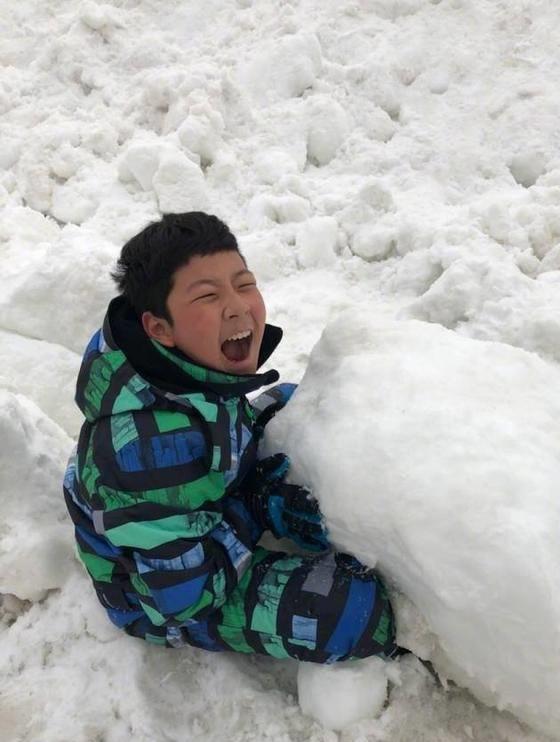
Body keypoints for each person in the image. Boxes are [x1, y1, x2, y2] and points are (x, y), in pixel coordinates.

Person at [63, 211, 396, 662]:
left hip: (189, 489)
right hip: (160, 594)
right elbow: (181, 596)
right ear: (158, 328)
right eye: (207, 296)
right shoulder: (149, 451)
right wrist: (255, 511)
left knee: (303, 404)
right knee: (352, 612)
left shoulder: (186, 366)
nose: (238, 306)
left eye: (244, 284)